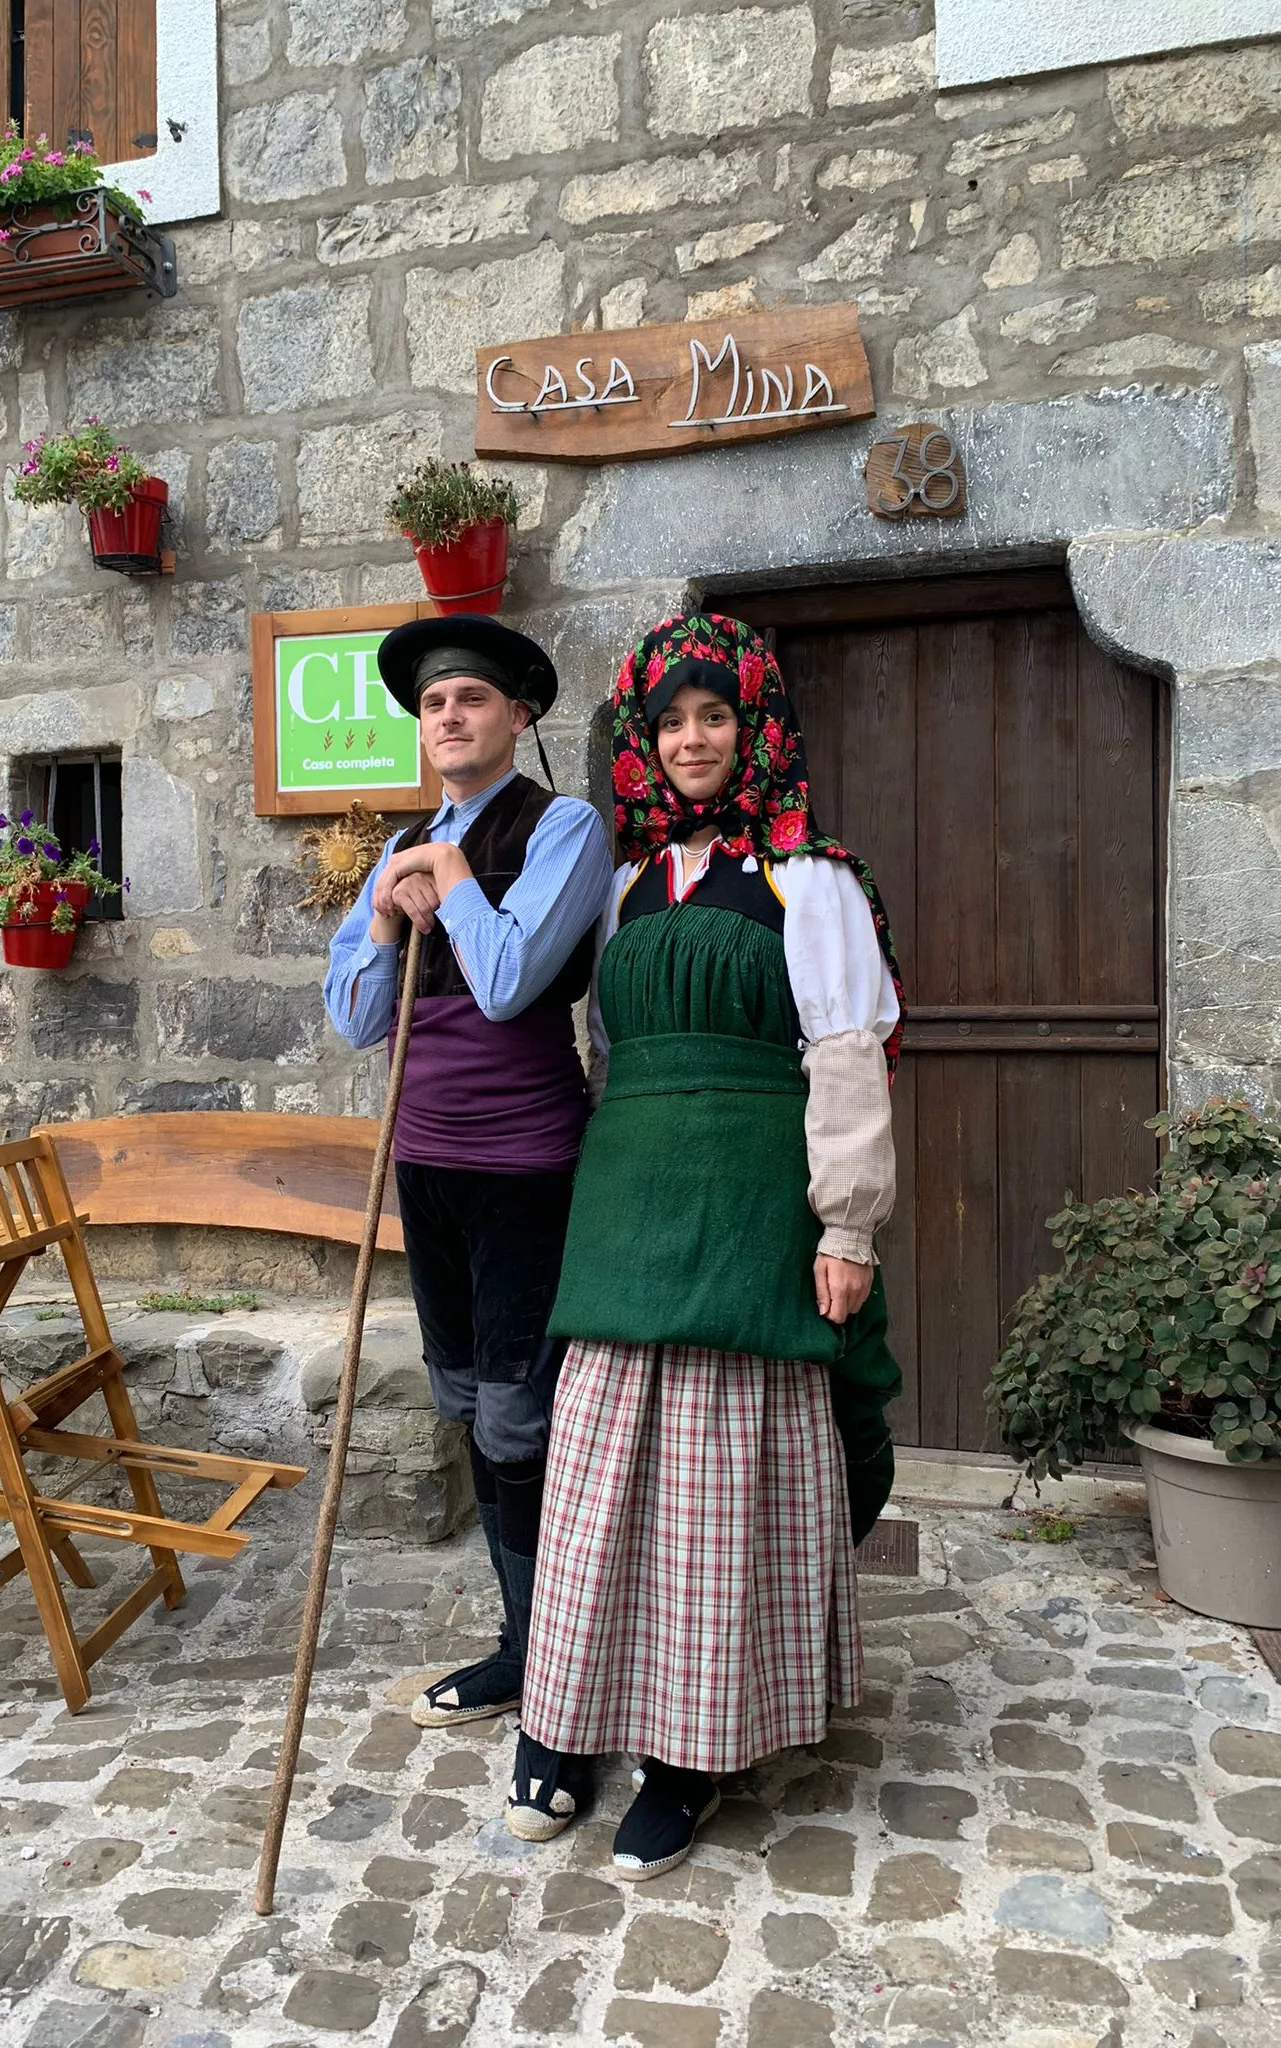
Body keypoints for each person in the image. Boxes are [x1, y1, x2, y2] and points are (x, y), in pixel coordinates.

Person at [505, 611, 906, 1876]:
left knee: (722, 1490)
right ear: (643, 735)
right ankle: (567, 1721)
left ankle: (691, 1751)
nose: (690, 739)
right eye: (669, 719)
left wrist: (847, 1224)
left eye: (714, 715)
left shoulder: (809, 876)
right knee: (594, 1484)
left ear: (756, 730)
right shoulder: (627, 884)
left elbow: (844, 1059)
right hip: (627, 1210)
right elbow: (606, 1054)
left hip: (745, 1212)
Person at [324, 613, 614, 1738]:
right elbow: (353, 1015)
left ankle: (550, 1661)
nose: (450, 716)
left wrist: (446, 871)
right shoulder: (401, 845)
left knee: (520, 1417)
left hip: (526, 1169)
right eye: (435, 704)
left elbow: (507, 982)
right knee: (465, 1404)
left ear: (518, 715)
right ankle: (522, 1641)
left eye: (473, 700)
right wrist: (390, 924)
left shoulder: (565, 828)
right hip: (427, 1164)